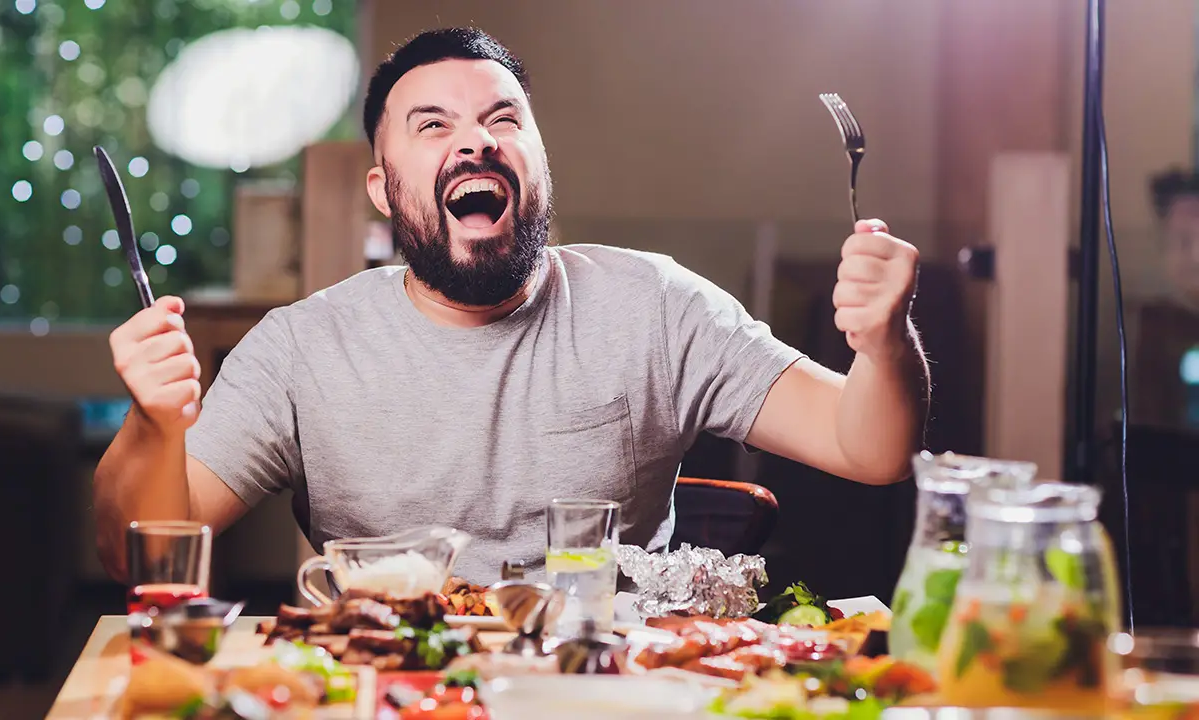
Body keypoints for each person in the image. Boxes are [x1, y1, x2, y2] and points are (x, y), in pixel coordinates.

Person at [94, 27, 929, 584]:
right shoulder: (302, 348)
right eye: (432, 124)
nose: (475, 138)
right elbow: (142, 559)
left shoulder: (654, 306)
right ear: (384, 190)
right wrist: (149, 428)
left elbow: (872, 449)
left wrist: (886, 342)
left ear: (536, 160)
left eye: (503, 117)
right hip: (388, 685)